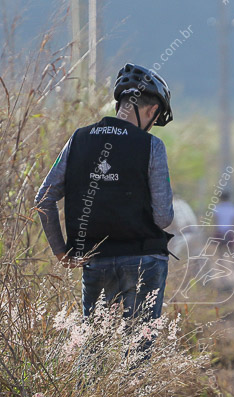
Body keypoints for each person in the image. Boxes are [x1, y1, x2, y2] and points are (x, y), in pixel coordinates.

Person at [35, 63, 175, 323]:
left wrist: (61, 252)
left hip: (94, 259)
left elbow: (44, 198)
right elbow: (163, 219)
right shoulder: (152, 145)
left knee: (95, 349)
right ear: (153, 109)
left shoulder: (78, 139)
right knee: (137, 350)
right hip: (144, 259)